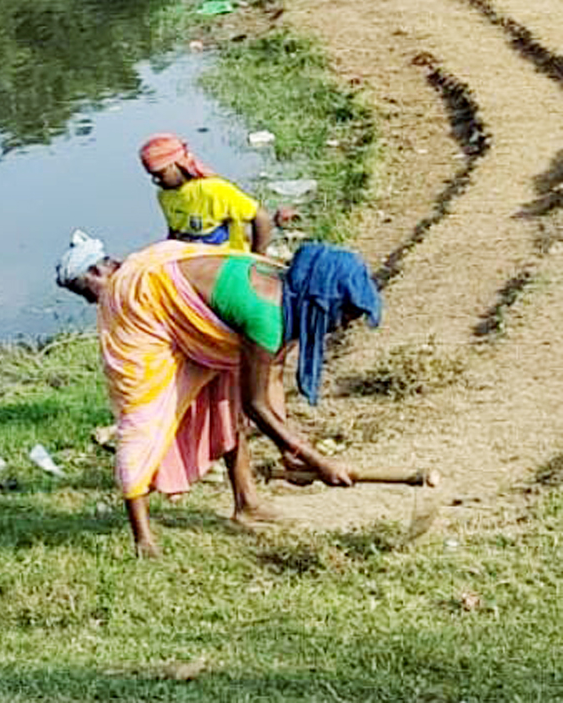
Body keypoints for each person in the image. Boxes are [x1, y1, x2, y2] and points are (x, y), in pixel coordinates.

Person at [56, 231, 381, 556]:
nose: (342, 325)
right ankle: (144, 540)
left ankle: (247, 504)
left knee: (226, 397)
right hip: (145, 303)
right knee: (143, 413)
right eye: (343, 315)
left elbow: (271, 375)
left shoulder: (292, 295)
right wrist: (317, 460)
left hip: (188, 295)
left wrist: (289, 454)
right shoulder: (267, 313)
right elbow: (256, 404)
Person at [140, 133, 275, 255]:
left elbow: (261, 218)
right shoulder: (165, 196)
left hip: (226, 261)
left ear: (177, 164)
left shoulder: (213, 189)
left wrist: (257, 257)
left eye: (161, 175)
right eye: (153, 177)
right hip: (191, 262)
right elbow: (175, 234)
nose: (157, 181)